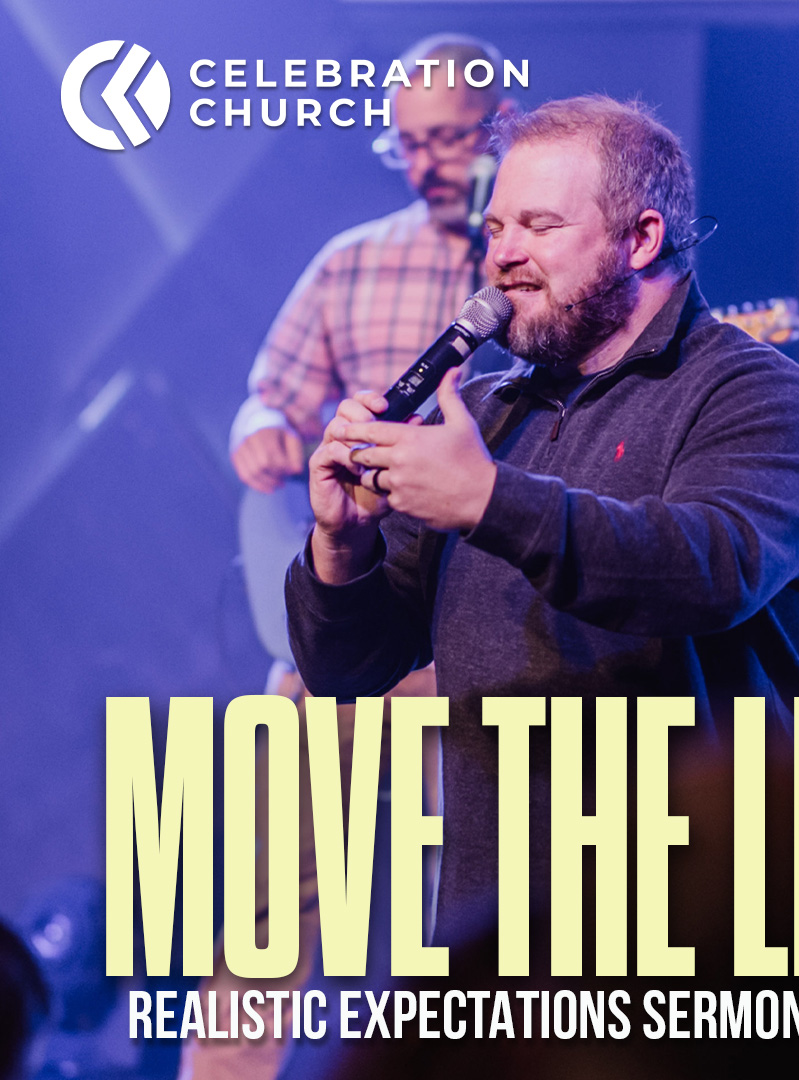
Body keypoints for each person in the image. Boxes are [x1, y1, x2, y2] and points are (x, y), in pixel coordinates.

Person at [285, 95, 799, 950]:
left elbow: (709, 570)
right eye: (496, 228)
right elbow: (347, 667)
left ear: (642, 238)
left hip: (695, 939)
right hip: (495, 945)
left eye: (539, 226)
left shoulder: (756, 395)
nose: (502, 254)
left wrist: (489, 501)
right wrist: (341, 541)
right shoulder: (481, 413)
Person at [180, 35, 510, 1080]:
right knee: (267, 903)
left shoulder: (548, 276)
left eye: (449, 138)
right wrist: (261, 438)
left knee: (479, 915)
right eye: (408, 144)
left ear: (502, 129)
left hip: (484, 644)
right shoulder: (351, 260)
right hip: (354, 627)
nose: (427, 163)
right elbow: (265, 398)